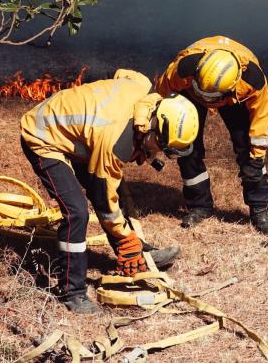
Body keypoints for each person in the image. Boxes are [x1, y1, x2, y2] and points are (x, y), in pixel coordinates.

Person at [20, 69, 199, 313]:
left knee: (114, 190)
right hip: (43, 135)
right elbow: (105, 204)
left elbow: (118, 73)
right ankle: (73, 292)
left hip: (83, 133)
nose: (159, 154)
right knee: (77, 213)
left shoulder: (144, 86)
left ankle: (137, 250)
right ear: (152, 127)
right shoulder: (113, 142)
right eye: (161, 146)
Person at [156, 35, 268, 233]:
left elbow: (260, 126)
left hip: (233, 99)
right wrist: (163, 134)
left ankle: (259, 210)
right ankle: (199, 207)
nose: (208, 102)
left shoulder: (253, 81)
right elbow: (160, 99)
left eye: (210, 98)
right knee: (187, 146)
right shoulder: (182, 69)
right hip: (190, 91)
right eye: (205, 96)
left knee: (247, 146)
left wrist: (256, 160)